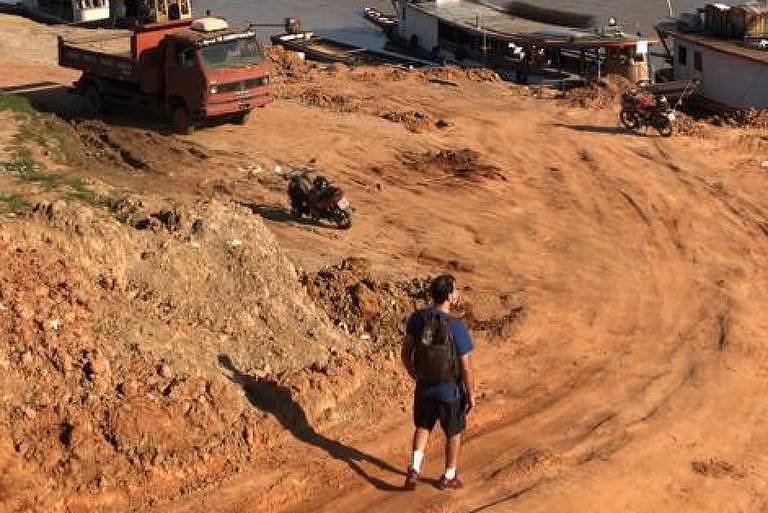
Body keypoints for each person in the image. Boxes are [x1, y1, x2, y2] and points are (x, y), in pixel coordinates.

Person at [401, 274, 475, 490]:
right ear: (450, 296)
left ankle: (414, 469)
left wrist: (414, 373)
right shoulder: (457, 326)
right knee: (453, 432)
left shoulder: (417, 319)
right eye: (456, 289)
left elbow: (406, 352)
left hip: (424, 386)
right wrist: (470, 393)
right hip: (449, 390)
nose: (458, 293)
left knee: (423, 426)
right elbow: (466, 366)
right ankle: (449, 476)